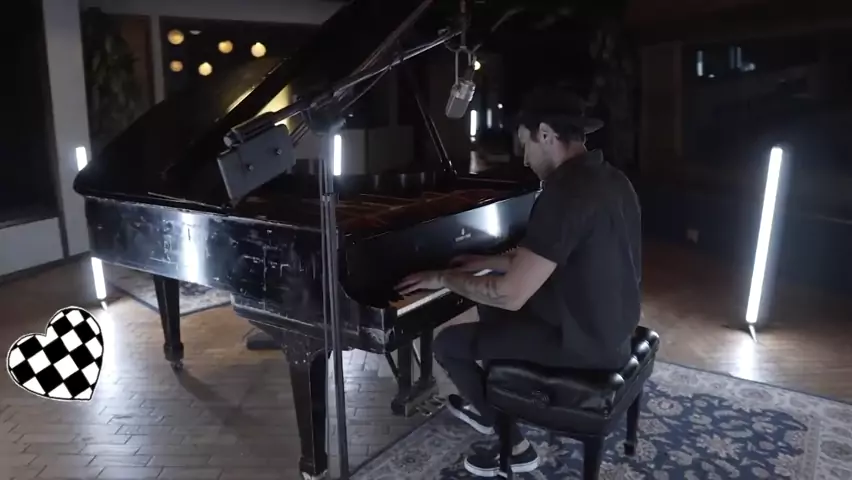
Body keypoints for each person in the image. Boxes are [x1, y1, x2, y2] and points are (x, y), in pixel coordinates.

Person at [395, 86, 642, 477]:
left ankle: (514, 445)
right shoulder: (611, 180)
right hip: (610, 328)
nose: (524, 158)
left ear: (545, 134)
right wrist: (488, 262)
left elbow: (509, 295)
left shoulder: (566, 192)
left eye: (525, 143)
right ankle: (501, 405)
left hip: (583, 344)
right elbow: (554, 257)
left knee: (449, 344)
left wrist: (443, 277)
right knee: (489, 310)